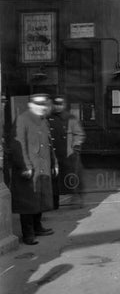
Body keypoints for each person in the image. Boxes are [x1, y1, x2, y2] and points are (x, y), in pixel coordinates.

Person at [10, 94, 58, 245]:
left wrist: (54, 163)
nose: (42, 108)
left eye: (44, 105)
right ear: (31, 105)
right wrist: (25, 166)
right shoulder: (22, 119)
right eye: (39, 105)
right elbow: (19, 146)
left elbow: (50, 145)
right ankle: (28, 234)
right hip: (29, 168)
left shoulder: (43, 121)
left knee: (40, 198)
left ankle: (38, 227)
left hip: (42, 167)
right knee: (27, 202)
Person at [48, 95, 86, 208]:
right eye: (56, 104)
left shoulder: (71, 118)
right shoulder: (48, 118)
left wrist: (75, 147)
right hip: (54, 154)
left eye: (60, 104)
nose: (58, 107)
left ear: (64, 105)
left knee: (73, 177)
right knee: (54, 179)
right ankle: (54, 202)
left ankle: (76, 200)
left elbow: (79, 134)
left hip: (69, 154)